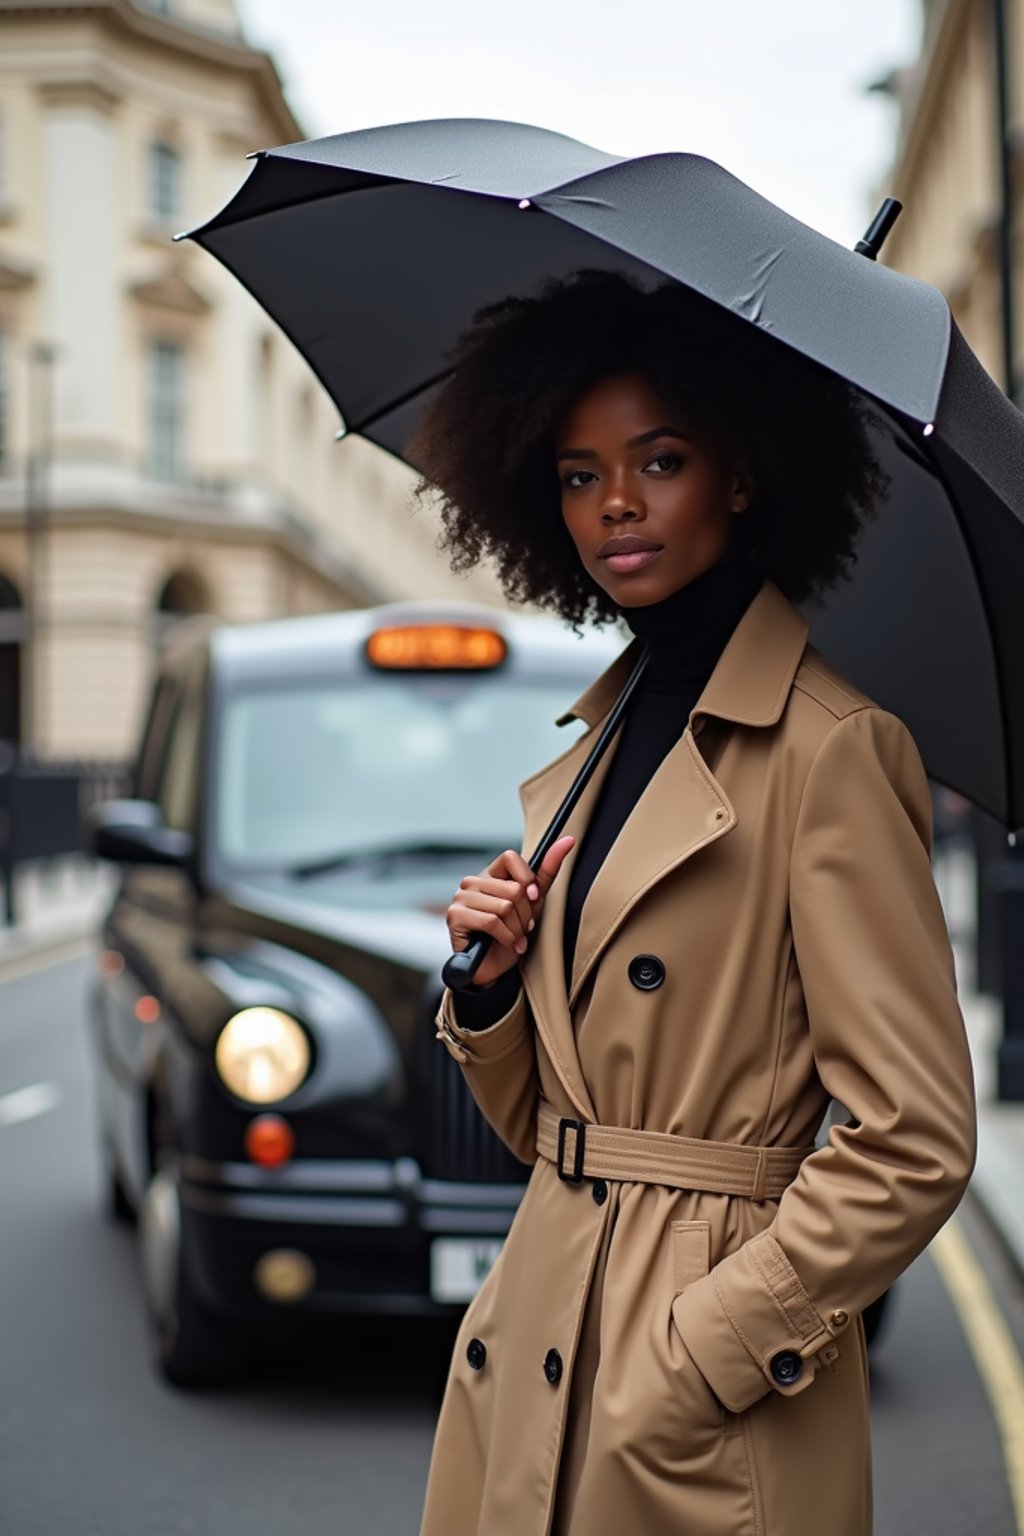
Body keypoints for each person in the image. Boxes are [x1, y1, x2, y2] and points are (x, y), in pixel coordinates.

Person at [410, 269, 976, 1536]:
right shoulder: (599, 744)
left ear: (740, 470)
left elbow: (915, 1139)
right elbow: (557, 1131)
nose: (614, 503)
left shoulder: (829, 748)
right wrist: (490, 993)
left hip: (692, 1398)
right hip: (537, 1336)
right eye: (575, 472)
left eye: (658, 460)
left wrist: (707, 1351)